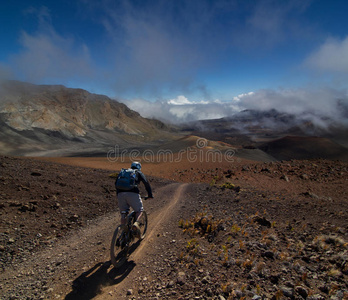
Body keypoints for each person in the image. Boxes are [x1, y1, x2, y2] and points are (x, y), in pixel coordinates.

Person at [115, 161, 153, 238]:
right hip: (132, 193)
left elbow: (116, 183)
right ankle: (136, 224)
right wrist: (150, 195)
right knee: (139, 210)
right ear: (139, 167)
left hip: (120, 194)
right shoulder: (138, 172)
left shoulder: (124, 172)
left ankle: (123, 229)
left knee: (123, 213)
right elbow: (146, 183)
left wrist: (119, 194)